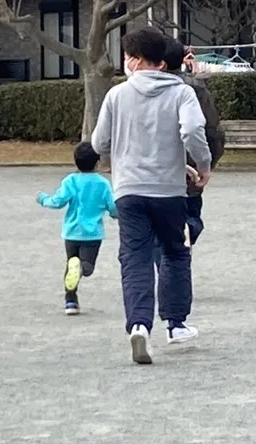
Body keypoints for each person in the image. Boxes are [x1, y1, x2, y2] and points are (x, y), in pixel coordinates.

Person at [91, 27, 212, 364]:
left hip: (128, 190)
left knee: (135, 257)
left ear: (137, 60)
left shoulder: (117, 95)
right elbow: (191, 131)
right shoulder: (182, 93)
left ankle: (139, 326)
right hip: (169, 190)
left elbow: (99, 143)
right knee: (174, 252)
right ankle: (176, 325)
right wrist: (201, 164)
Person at [151, 38, 226, 267]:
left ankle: (164, 261)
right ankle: (182, 240)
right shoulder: (195, 89)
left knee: (154, 225)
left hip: (152, 168)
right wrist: (208, 162)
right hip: (189, 168)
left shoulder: (140, 89)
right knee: (191, 215)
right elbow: (210, 129)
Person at [36, 142, 117, 315]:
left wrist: (44, 199)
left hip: (71, 232)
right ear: (97, 162)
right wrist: (119, 215)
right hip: (92, 234)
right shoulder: (102, 184)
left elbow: (58, 201)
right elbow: (112, 206)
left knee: (70, 264)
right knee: (87, 266)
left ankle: (70, 301)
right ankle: (81, 268)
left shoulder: (70, 181)